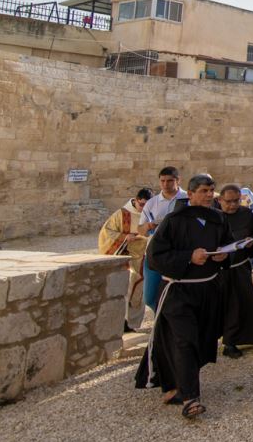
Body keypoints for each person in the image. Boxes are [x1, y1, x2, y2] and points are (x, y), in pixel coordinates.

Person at [134, 174, 235, 420]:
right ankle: (190, 398)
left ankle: (178, 383)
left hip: (208, 290)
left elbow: (227, 246)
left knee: (200, 340)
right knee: (185, 340)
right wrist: (188, 257)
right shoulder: (173, 221)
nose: (210, 195)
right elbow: (155, 257)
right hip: (179, 291)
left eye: (212, 190)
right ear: (189, 195)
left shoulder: (219, 219)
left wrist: (224, 255)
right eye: (203, 191)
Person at [216, 184, 253, 358]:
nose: (232, 205)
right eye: (228, 201)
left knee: (239, 304)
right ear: (220, 200)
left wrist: (251, 244)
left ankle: (231, 341)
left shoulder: (246, 215)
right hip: (216, 271)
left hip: (239, 267)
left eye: (236, 201)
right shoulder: (212, 217)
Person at [97, 187, 152, 332]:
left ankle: (132, 324)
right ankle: (121, 321)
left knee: (139, 290)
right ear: (136, 200)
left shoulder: (151, 214)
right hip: (124, 256)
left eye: (147, 206)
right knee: (126, 286)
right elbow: (107, 231)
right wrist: (125, 237)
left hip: (142, 257)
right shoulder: (122, 214)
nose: (143, 209)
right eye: (141, 205)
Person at [141, 166, 187, 314]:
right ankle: (163, 318)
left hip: (179, 251)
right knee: (149, 297)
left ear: (178, 180)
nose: (166, 184)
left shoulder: (188, 199)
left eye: (170, 181)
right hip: (155, 252)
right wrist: (148, 226)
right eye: (162, 181)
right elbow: (140, 229)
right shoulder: (152, 203)